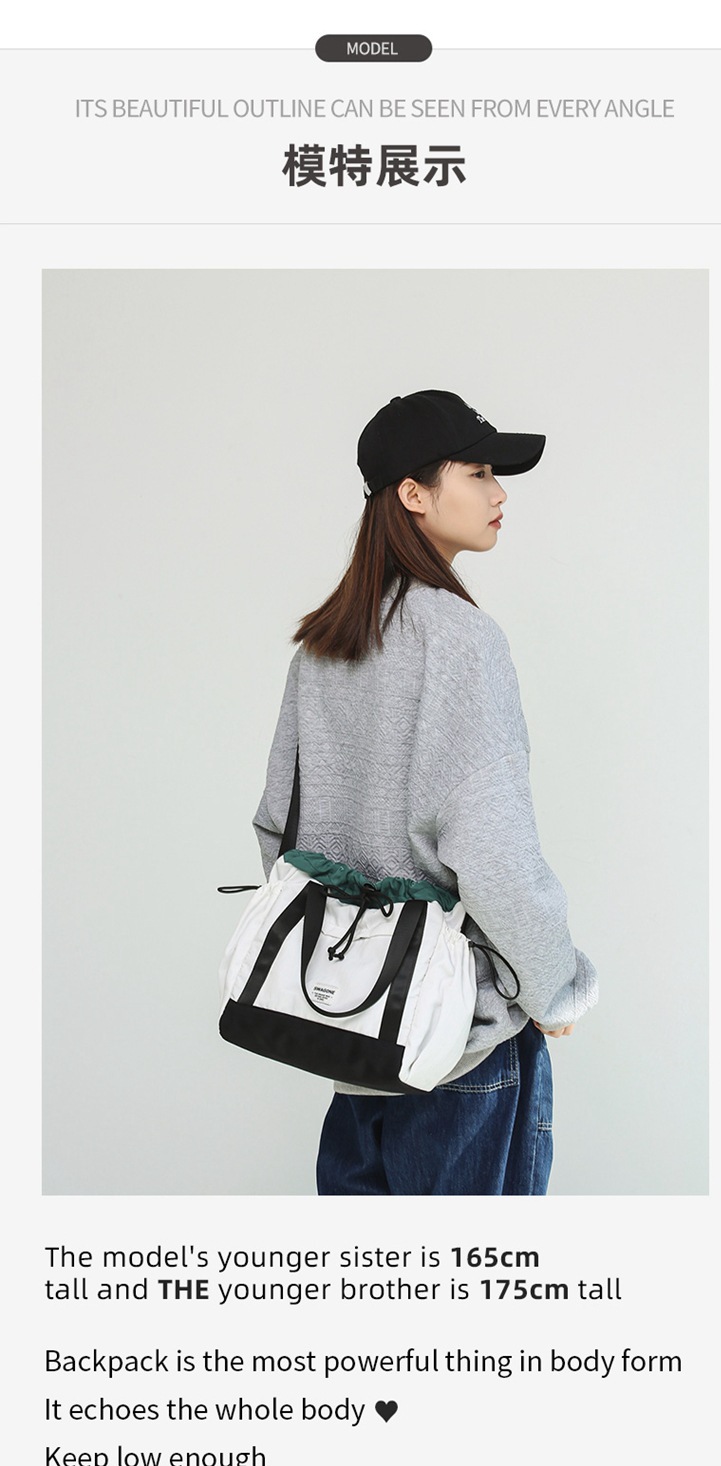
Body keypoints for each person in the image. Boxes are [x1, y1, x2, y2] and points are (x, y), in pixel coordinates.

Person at [253, 389, 598, 1196]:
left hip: (351, 1043)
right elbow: (494, 855)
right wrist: (554, 988)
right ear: (413, 492)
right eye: (478, 473)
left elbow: (279, 833)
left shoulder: (322, 649)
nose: (499, 493)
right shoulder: (463, 641)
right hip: (458, 1052)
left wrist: (347, 971)